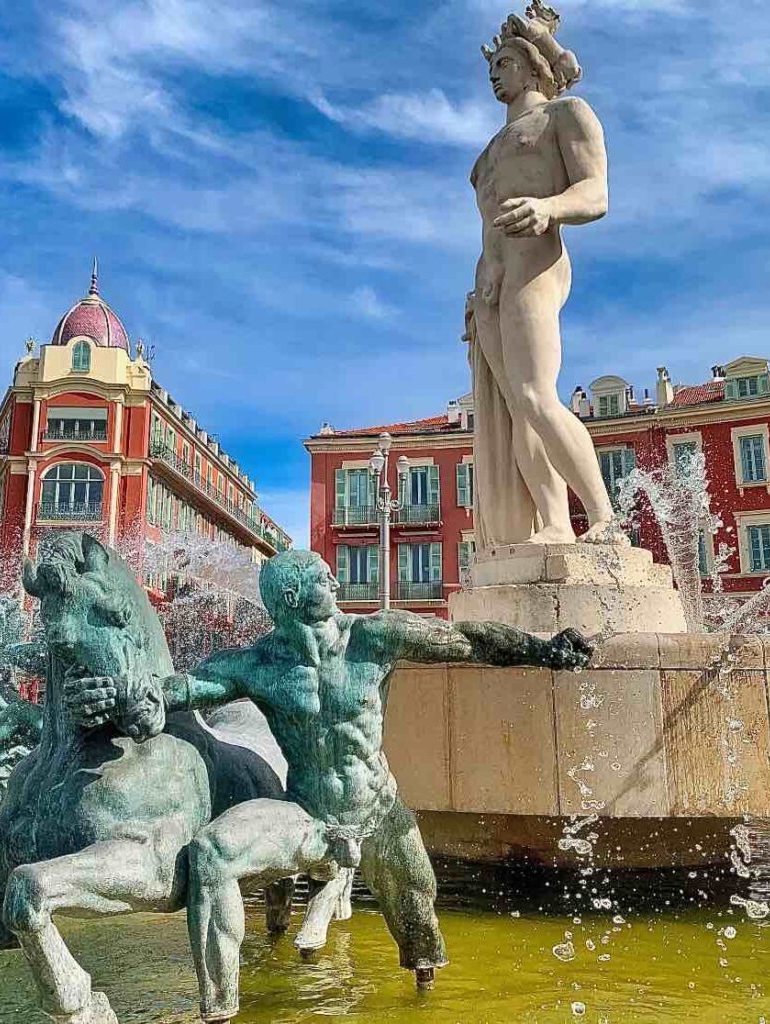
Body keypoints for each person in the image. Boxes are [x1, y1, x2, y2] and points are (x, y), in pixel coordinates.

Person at [65, 549, 594, 1022]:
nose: (337, 583)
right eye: (324, 577)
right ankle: (218, 1009)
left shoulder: (373, 636)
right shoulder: (258, 665)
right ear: (293, 596)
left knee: (420, 929)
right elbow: (176, 690)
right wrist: (116, 696)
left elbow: (465, 640)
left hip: (378, 812)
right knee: (211, 853)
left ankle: (426, 1003)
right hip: (307, 814)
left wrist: (542, 649)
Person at [468, 2, 624, 546]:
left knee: (537, 394)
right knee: (516, 408)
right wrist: (484, 274)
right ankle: (555, 523)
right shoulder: (486, 155)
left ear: (534, 66)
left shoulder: (567, 115)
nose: (494, 72)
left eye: (505, 62)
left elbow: (596, 193)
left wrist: (549, 208)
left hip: (539, 262)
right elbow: (488, 226)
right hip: (493, 281)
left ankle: (604, 518)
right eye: (492, 65)